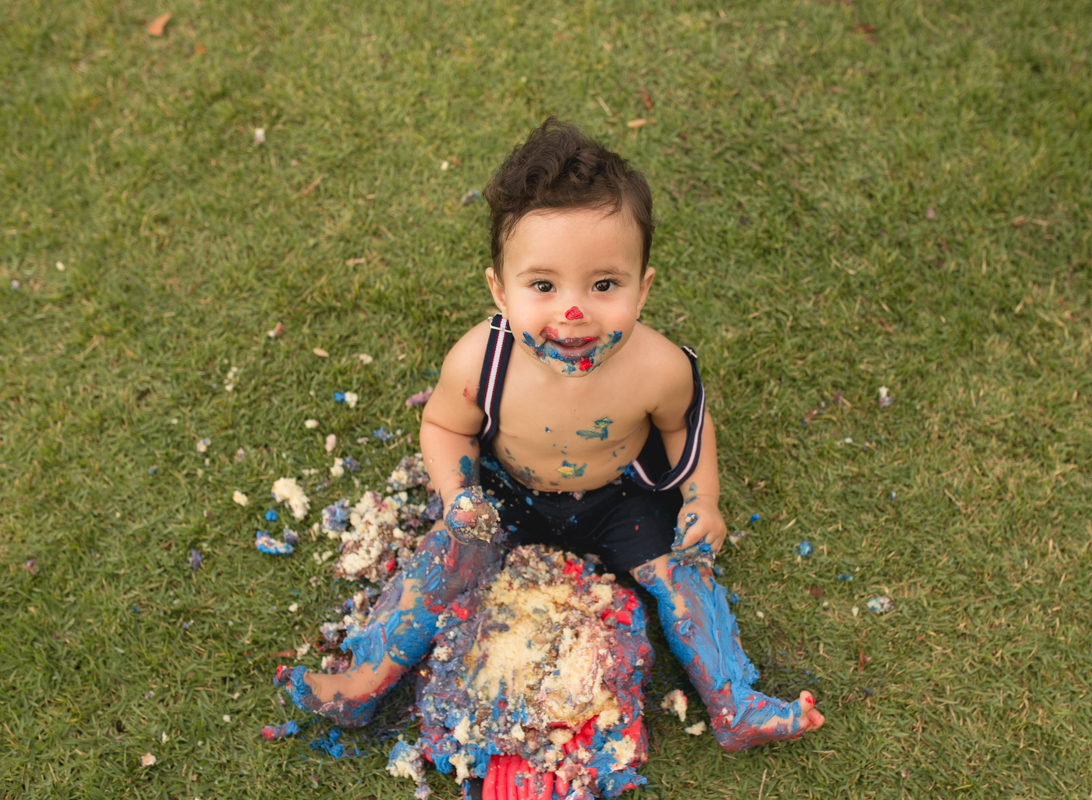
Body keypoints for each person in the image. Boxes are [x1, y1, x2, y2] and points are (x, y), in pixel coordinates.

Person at [275, 118, 825, 752]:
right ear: (500, 291)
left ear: (642, 289)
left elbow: (686, 430)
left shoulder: (659, 367)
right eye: (543, 285)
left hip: (621, 498)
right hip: (510, 492)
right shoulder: (481, 360)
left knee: (683, 576)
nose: (574, 312)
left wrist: (702, 501)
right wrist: (459, 495)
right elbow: (445, 425)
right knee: (443, 558)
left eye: (604, 285)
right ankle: (363, 684)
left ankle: (733, 702)